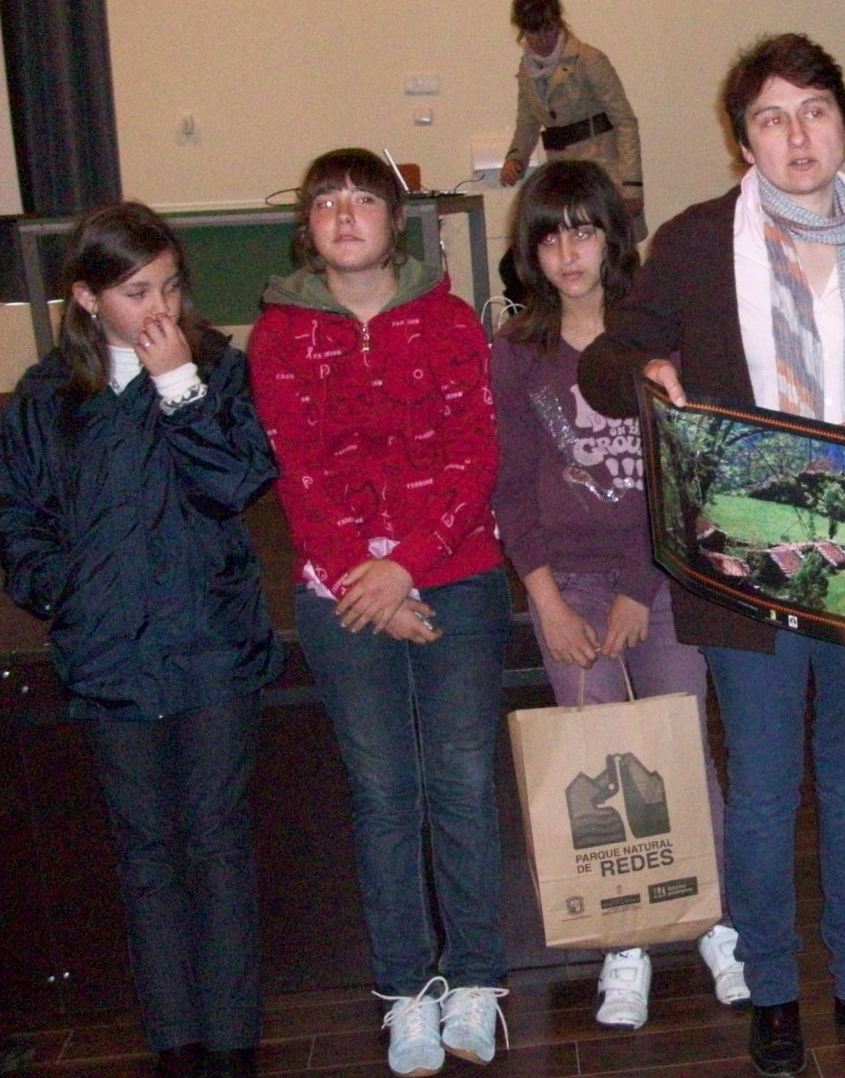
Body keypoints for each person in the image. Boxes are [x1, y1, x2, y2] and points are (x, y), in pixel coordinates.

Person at [577, 32, 845, 1078]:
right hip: (745, 554)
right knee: (765, 789)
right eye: (771, 119)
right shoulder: (700, 241)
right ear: (743, 140)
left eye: (815, 111)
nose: (797, 136)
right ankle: (774, 990)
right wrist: (646, 373)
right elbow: (609, 357)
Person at [0, 203, 281, 1078]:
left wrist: (178, 386)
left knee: (217, 844)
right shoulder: (47, 398)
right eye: (134, 292)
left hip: (212, 647)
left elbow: (239, 482)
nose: (158, 307)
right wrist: (68, 596)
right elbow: (18, 523)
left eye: (168, 286)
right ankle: (175, 1044)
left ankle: (232, 1044)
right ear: (87, 299)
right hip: (110, 657)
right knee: (146, 855)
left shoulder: (217, 371)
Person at [248, 149, 511, 1077]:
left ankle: (475, 978)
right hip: (343, 594)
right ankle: (405, 991)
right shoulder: (278, 334)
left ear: (397, 222)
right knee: (384, 792)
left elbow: (477, 452)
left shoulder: (447, 320)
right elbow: (297, 473)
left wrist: (408, 569)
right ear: (308, 226)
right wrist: (368, 581)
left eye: (364, 200)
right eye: (327, 202)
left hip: (456, 576)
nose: (345, 215)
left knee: (463, 780)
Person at [489, 158, 746, 1028]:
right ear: (530, 251)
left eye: (585, 231)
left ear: (612, 239)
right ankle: (624, 940)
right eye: (550, 237)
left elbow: (684, 474)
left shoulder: (654, 344)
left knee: (681, 741)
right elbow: (511, 487)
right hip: (565, 583)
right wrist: (548, 601)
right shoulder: (517, 354)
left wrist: (642, 587)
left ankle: (717, 921)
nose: (569, 253)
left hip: (661, 579)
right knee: (599, 757)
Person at [500, 0, 645, 243]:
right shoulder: (527, 71)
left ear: (558, 22)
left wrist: (631, 187)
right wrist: (515, 159)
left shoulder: (589, 59)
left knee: (606, 253)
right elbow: (527, 122)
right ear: (522, 32)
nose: (543, 40)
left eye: (548, 30)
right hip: (562, 176)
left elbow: (625, 121)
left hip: (603, 173)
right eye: (534, 33)